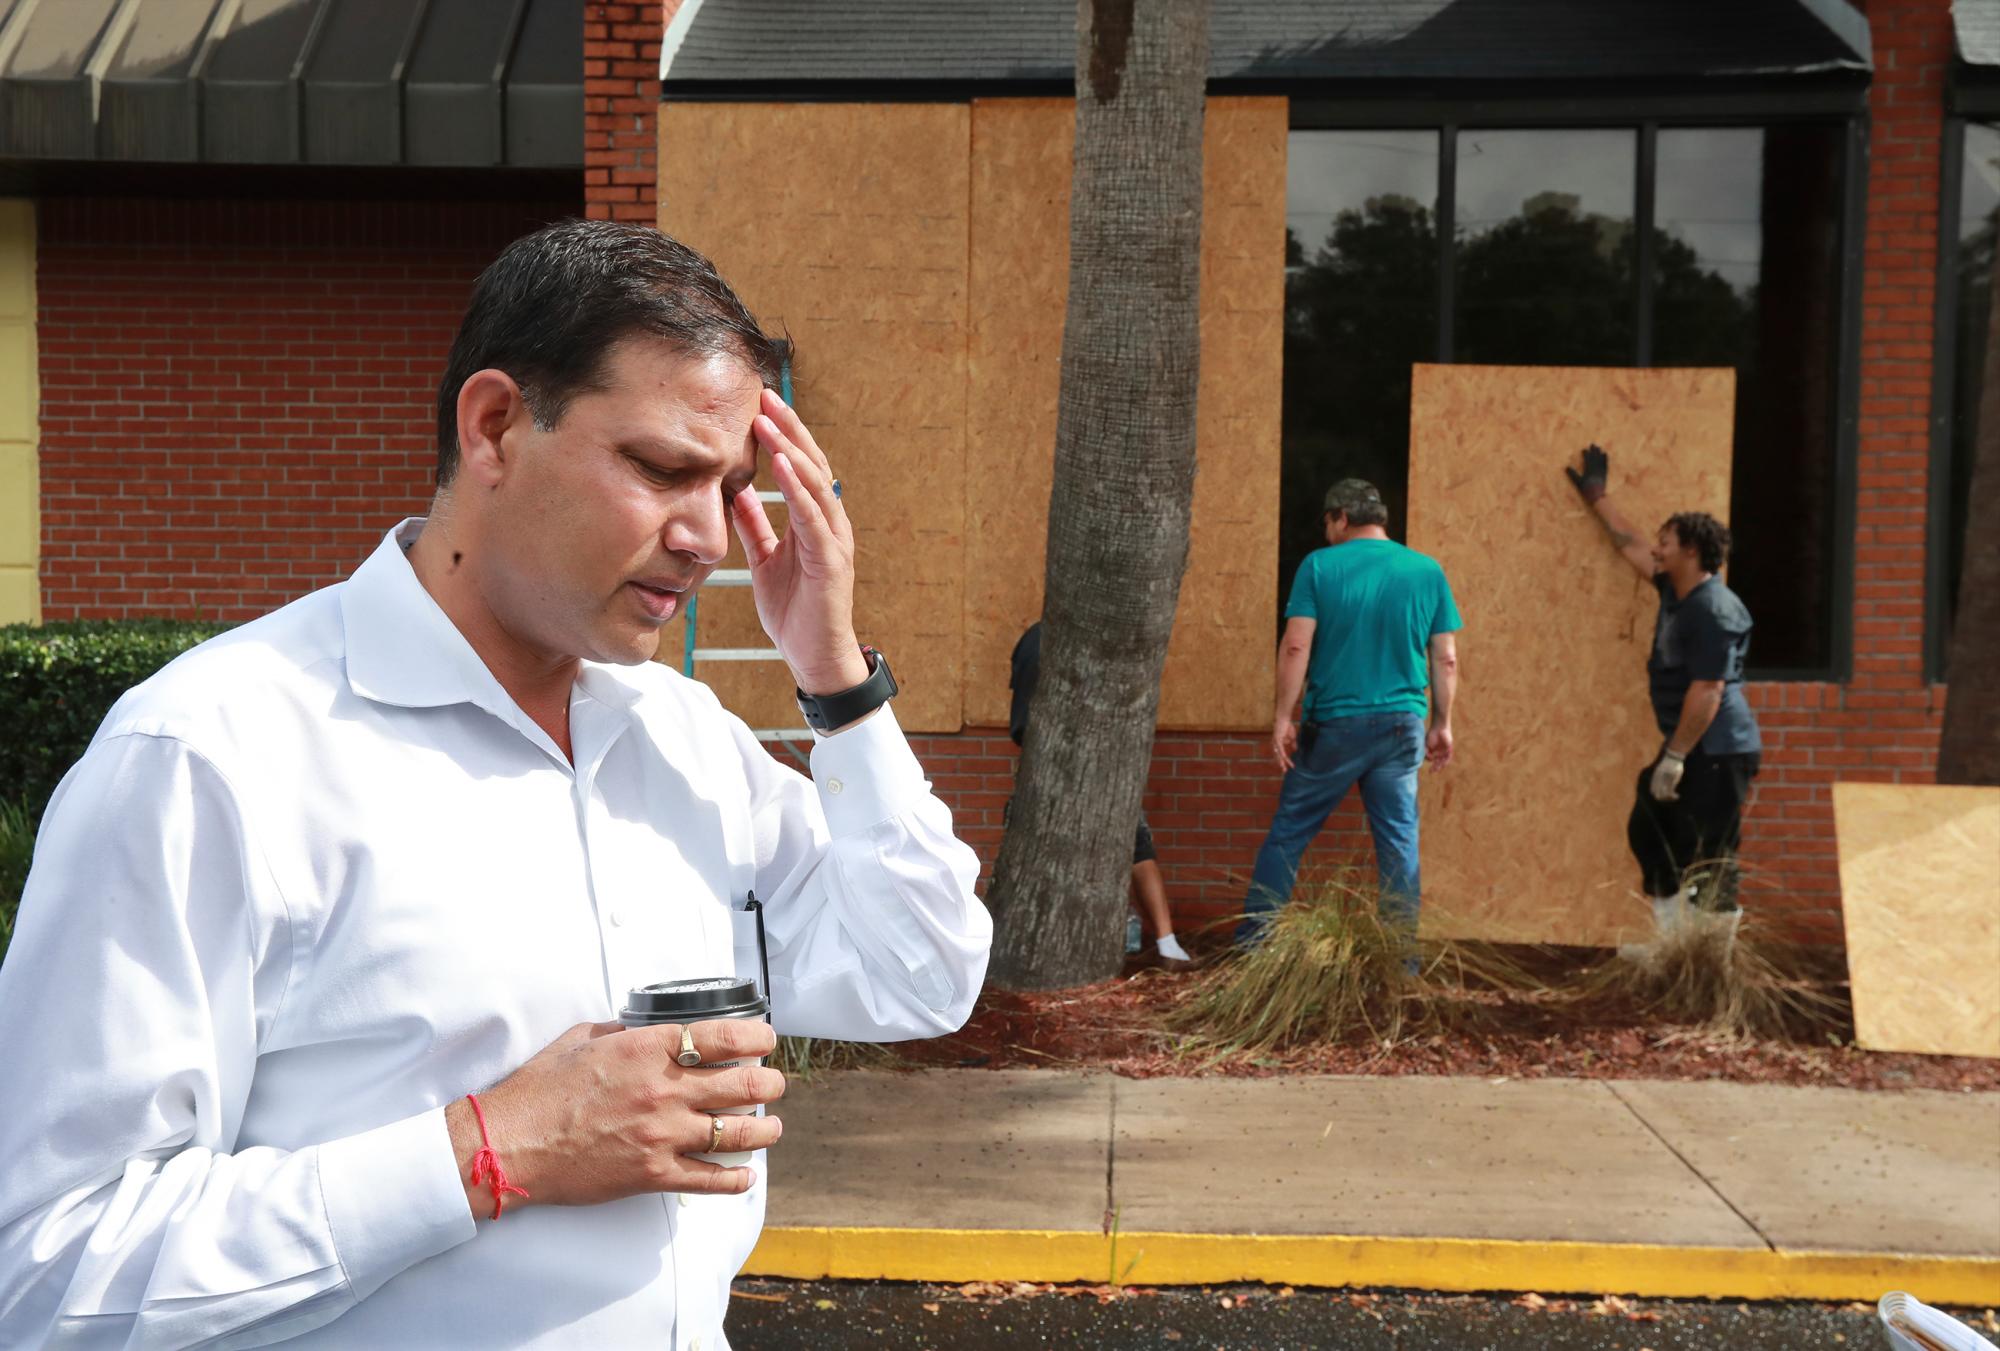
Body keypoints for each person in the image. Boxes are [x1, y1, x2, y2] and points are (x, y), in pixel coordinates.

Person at [0, 221, 992, 1349]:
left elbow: (916, 977)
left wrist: (836, 680)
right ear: (493, 426)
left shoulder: (682, 738)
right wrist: (490, 1150)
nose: (708, 536)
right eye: (663, 468)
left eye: (729, 485)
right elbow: (48, 1270)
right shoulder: (212, 755)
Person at [1238, 479, 1460, 947]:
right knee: (1399, 847)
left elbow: (1297, 643)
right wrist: (1441, 724)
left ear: (1340, 517)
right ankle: (1400, 960)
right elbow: (1446, 658)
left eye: (1327, 523)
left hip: (1335, 725)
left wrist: (1282, 716)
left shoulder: (1318, 567)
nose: (1326, 533)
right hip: (1403, 725)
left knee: (1288, 835)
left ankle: (1254, 947)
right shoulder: (1426, 570)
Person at [1565, 445, 1762, 935]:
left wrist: (1674, 757)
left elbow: (1710, 690)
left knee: (1714, 853)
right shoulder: (1678, 592)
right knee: (1651, 828)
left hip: (1717, 748)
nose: (1657, 549)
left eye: (1666, 542)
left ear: (1691, 550)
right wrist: (1597, 497)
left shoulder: (1713, 610)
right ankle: (1673, 945)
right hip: (1693, 744)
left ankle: (1712, 967)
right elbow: (1628, 542)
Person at [1008, 620, 1193, 968]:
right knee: (1136, 843)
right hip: (1094, 760)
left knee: (1051, 851)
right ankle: (1167, 945)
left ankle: (1051, 947)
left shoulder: (1031, 640)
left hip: (1038, 758)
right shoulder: (1089, 642)